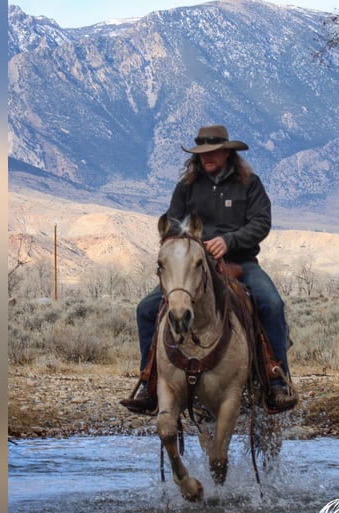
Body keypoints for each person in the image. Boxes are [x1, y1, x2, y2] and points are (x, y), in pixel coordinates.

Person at [120, 124, 297, 414]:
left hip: (240, 263)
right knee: (146, 309)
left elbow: (261, 223)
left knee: (272, 304)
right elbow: (174, 227)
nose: (207, 157)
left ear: (227, 153)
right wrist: (194, 247)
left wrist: (230, 241)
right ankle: (148, 381)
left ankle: (276, 378)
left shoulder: (249, 184)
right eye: (201, 153)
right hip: (193, 268)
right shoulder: (186, 188)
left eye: (213, 152)